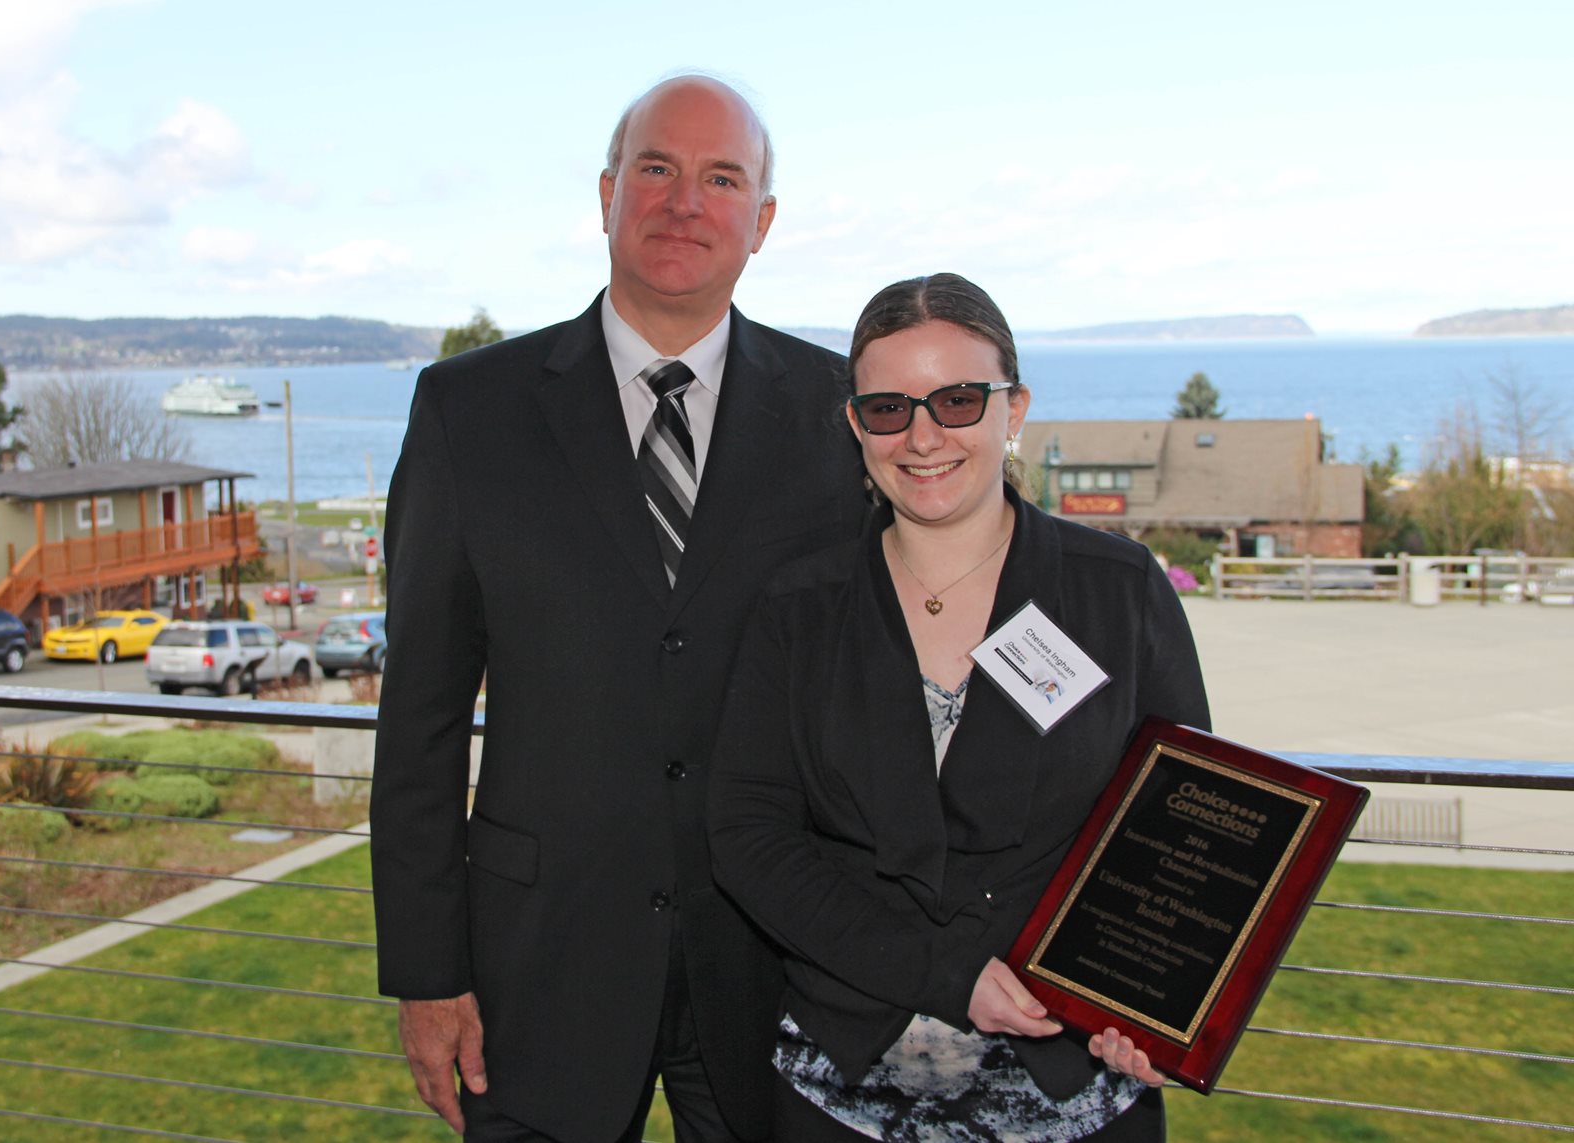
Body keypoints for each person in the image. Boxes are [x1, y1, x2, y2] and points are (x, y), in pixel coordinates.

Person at [370, 75, 866, 1142]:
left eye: (721, 178)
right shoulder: (469, 411)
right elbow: (417, 720)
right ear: (606, 195)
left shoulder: (840, 418)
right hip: (531, 974)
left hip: (775, 970)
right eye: (657, 169)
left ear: (762, 221)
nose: (684, 202)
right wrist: (425, 974)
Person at [708, 273, 1211, 1141]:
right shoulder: (799, 607)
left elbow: (1182, 833)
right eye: (889, 408)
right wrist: (945, 971)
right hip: (842, 1097)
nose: (924, 436)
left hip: (1076, 1095)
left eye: (959, 399)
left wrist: (1158, 1003)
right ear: (856, 426)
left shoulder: (1119, 593)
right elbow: (750, 837)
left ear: (1013, 410)